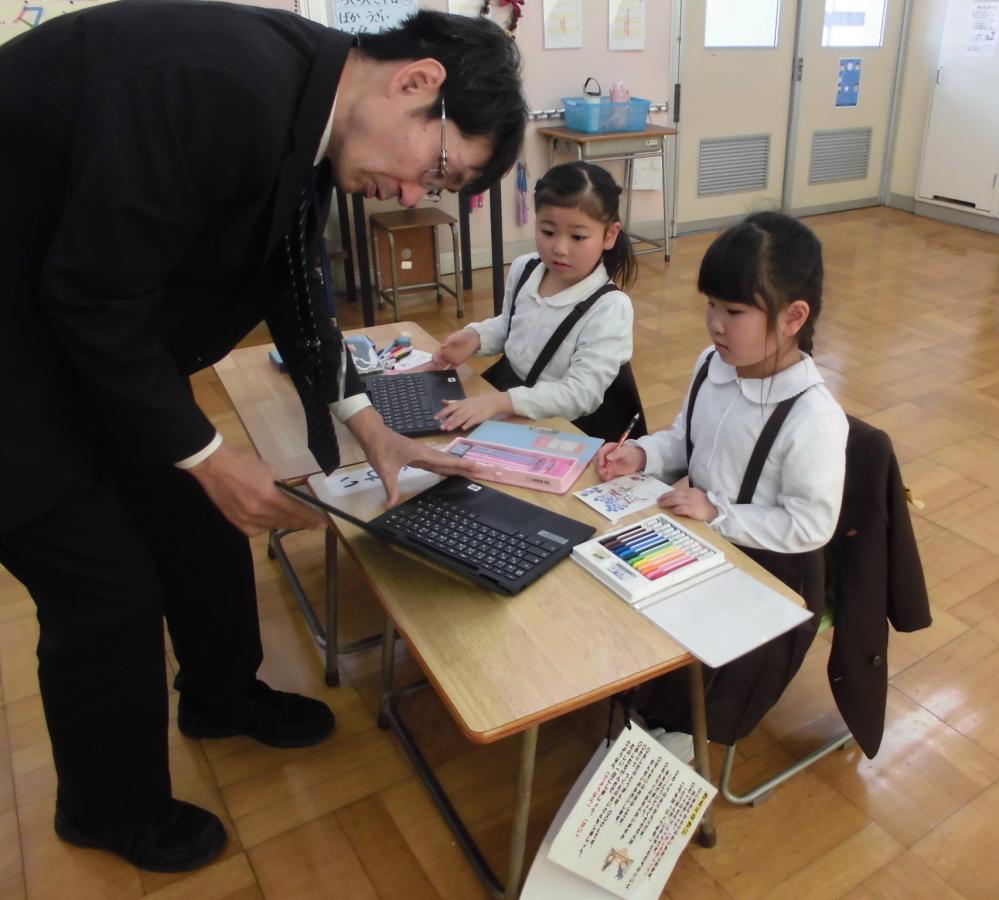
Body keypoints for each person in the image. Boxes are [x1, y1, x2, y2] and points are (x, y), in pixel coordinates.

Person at [0, 0, 527, 873]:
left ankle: (220, 696)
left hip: (76, 326)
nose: (409, 196)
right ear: (417, 81)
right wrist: (210, 456)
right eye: (434, 169)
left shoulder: (305, 100)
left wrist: (367, 424)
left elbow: (293, 278)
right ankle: (108, 810)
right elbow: (91, 296)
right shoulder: (223, 85)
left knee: (201, 521)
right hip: (23, 351)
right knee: (106, 588)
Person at [595, 211, 849, 752]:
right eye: (711, 304)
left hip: (773, 575)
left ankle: (682, 735)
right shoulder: (712, 364)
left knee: (698, 690)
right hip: (704, 538)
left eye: (734, 311)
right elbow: (686, 439)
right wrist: (641, 454)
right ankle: (648, 706)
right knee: (611, 586)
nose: (715, 323)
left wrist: (718, 512)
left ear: (793, 317)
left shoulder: (814, 417)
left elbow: (810, 526)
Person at [429, 161, 647, 442]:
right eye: (547, 232)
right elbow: (511, 325)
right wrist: (475, 337)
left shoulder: (610, 308)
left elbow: (580, 394)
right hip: (514, 399)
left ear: (610, 235)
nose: (560, 248)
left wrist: (501, 402)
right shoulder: (525, 268)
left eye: (578, 237)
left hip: (569, 427)